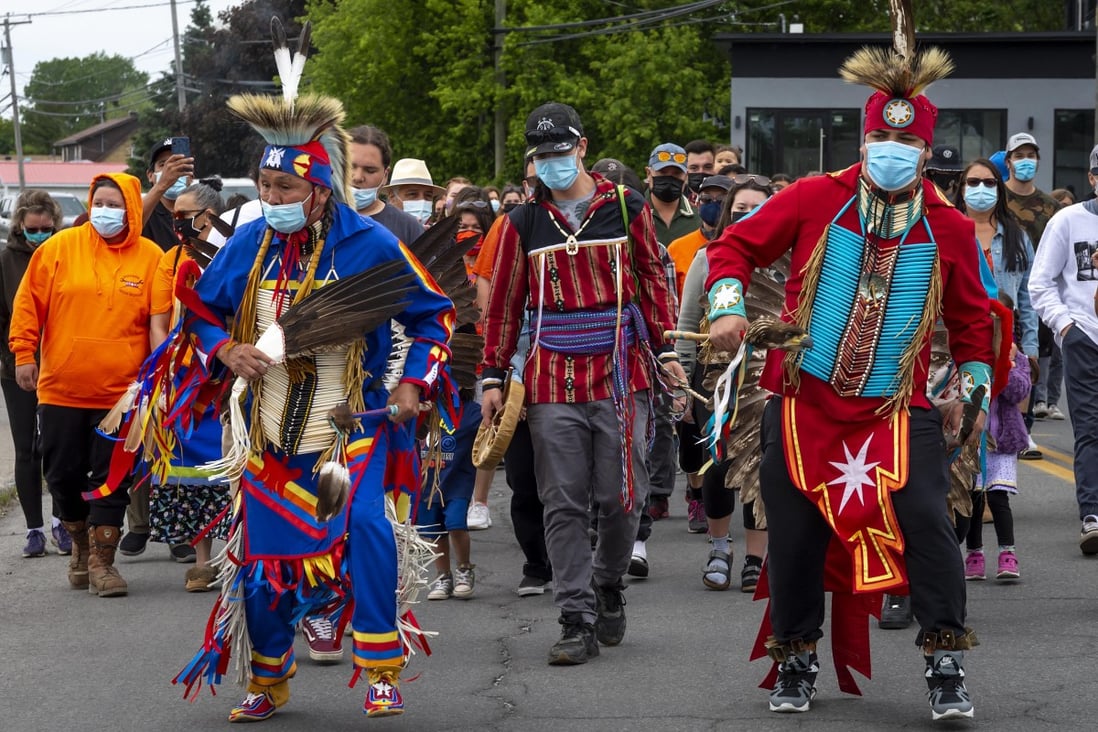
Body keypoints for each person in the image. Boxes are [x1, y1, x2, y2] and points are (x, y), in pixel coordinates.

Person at [705, 46, 992, 720]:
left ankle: (944, 661)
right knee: (797, 536)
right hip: (804, 403)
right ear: (863, 140)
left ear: (926, 150)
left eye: (905, 140)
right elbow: (735, 247)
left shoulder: (948, 227)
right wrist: (724, 305)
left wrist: (970, 396)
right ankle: (796, 661)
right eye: (880, 137)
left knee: (927, 525)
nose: (891, 149)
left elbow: (975, 326)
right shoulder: (812, 198)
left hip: (898, 411)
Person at [170, 70, 455, 719]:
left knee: (363, 530)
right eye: (266, 184)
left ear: (319, 190)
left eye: (285, 187)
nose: (272, 196)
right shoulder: (251, 241)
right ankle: (269, 680)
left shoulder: (367, 243)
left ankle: (381, 667)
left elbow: (434, 315)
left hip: (349, 428)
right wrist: (224, 348)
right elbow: (199, 314)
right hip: (269, 432)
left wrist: (414, 384)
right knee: (264, 563)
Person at [481, 102, 683, 666]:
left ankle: (608, 582)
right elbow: (503, 304)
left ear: (583, 147)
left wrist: (666, 347)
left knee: (623, 497)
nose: (552, 163)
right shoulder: (521, 222)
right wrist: (494, 374)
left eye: (560, 152)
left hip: (622, 370)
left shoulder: (625, 205)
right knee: (561, 500)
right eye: (541, 156)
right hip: (549, 374)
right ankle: (575, 616)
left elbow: (651, 277)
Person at [10, 173, 163, 597]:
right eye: (99, 202)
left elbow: (160, 323)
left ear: (132, 208)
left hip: (121, 393)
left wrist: (158, 382)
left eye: (115, 204)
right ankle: (78, 541)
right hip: (61, 387)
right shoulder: (59, 248)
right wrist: (25, 354)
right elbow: (28, 304)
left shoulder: (150, 257)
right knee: (61, 474)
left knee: (111, 479)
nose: (104, 211)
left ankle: (102, 561)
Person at [677, 174, 773, 591]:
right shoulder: (707, 256)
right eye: (740, 210)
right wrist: (681, 384)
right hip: (714, 378)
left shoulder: (791, 259)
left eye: (758, 209)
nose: (748, 216)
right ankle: (719, 548)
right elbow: (684, 321)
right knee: (716, 464)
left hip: (769, 377)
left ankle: (756, 557)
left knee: (762, 464)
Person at [470, 157, 552, 596]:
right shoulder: (510, 226)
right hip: (521, 372)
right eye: (535, 175)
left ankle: (579, 560)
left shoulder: (590, 224)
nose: (544, 182)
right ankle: (537, 564)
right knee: (523, 478)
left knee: (572, 478)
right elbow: (494, 301)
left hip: (572, 371)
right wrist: (494, 375)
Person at [147, 182, 232, 592]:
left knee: (234, 460)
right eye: (173, 215)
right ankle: (202, 559)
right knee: (189, 467)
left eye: (185, 215)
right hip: (184, 376)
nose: (177, 222)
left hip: (229, 369)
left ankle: (238, 554)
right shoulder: (171, 258)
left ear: (210, 216)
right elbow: (159, 318)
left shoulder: (235, 252)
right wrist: (162, 370)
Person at [124, 138, 198, 562]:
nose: (174, 174)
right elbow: (124, 231)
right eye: (166, 167)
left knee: (178, 434)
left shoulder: (197, 211)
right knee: (139, 433)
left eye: (182, 166)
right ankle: (139, 522)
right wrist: (156, 192)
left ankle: (181, 530)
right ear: (151, 172)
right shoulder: (139, 207)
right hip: (135, 341)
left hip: (183, 341)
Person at [1028, 143, 1098, 556]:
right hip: (1085, 338)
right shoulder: (1068, 221)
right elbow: (1041, 282)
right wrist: (1066, 326)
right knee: (1089, 428)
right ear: (1092, 178)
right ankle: (1092, 515)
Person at [0, 190, 70, 558]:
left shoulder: (65, 255)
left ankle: (63, 522)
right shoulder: (6, 261)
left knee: (57, 448)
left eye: (46, 229)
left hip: (61, 367)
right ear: (19, 227)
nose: (39, 235)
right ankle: (33, 529)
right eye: (33, 229)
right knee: (27, 449)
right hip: (19, 371)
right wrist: (13, 361)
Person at [963, 305, 1029, 581]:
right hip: (973, 441)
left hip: (1001, 443)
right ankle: (974, 554)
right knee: (974, 501)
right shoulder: (972, 357)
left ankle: (1007, 553)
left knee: (999, 499)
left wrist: (1008, 364)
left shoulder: (1017, 359)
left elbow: (1018, 392)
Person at [1003, 133, 1065, 422]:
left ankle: (1024, 425)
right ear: (1008, 161)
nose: (1025, 161)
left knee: (1033, 357)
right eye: (1019, 155)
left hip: (1038, 293)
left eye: (1030, 156)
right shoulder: (997, 198)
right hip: (1004, 289)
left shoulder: (1051, 207)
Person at [953, 159, 1039, 361]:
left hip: (1008, 344)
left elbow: (1028, 297)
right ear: (963, 189)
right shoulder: (947, 233)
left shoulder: (1018, 237)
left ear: (999, 190)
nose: (981, 187)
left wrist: (1030, 348)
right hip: (959, 339)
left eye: (989, 183)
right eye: (973, 182)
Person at [347, 125, 424, 245]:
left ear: (385, 175)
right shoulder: (314, 219)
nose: (357, 177)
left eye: (370, 170)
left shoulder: (408, 227)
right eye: (350, 167)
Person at [381, 158, 445, 226]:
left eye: (428, 195)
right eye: (413, 194)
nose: (422, 201)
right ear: (392, 197)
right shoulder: (378, 232)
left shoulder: (439, 233)